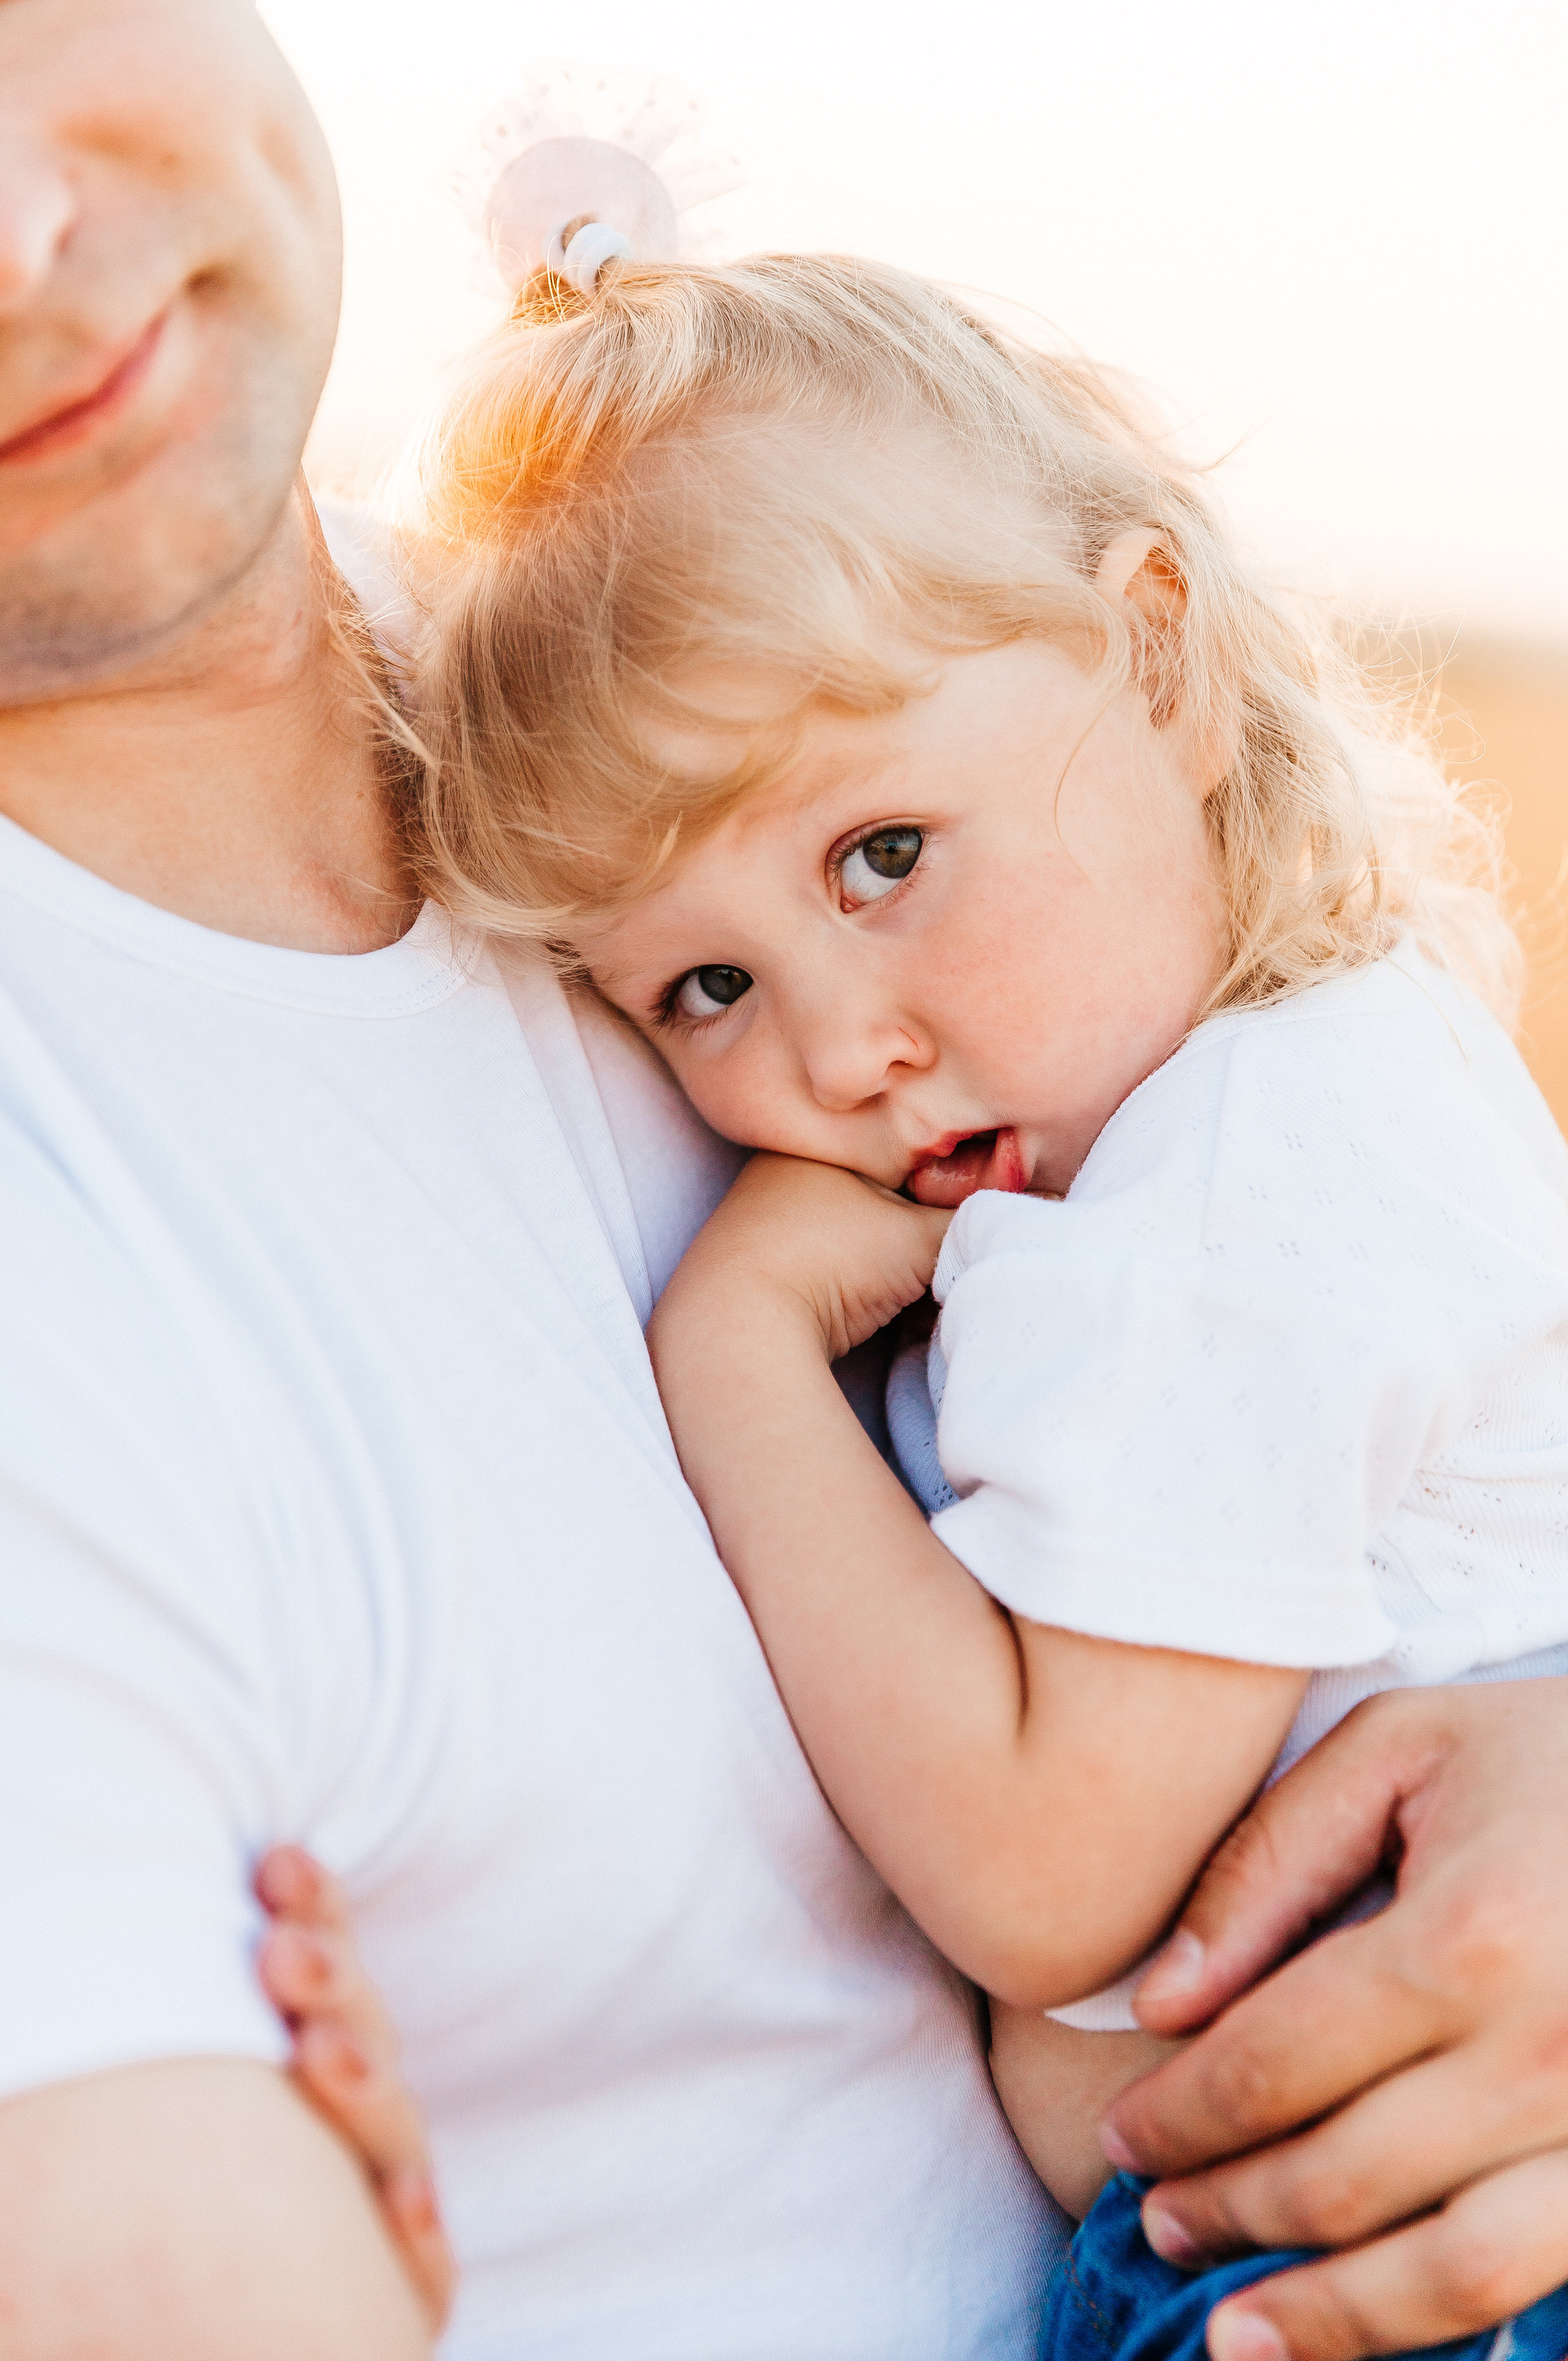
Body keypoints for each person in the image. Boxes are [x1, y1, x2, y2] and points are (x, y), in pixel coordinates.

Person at [5, 13, 1568, 2361]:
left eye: (886, 860)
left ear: (1161, 653)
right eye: (704, 993)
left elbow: (1060, 1871)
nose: (841, 1055)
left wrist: (734, 1350)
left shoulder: (626, 662)